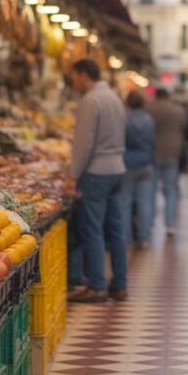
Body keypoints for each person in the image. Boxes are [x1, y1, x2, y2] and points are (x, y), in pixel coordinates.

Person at [67, 59, 129, 303]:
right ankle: (120, 284)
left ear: (83, 75)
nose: (72, 81)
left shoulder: (90, 100)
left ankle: (97, 286)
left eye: (74, 76)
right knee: (116, 230)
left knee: (92, 229)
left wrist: (73, 174)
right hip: (117, 169)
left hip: (96, 173)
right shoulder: (114, 98)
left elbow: (84, 143)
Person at [146, 89, 188, 236]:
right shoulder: (178, 111)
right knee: (170, 189)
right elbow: (184, 128)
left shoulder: (148, 109)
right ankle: (170, 224)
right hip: (173, 152)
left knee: (151, 190)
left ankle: (149, 223)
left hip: (153, 153)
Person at [119, 90, 156, 248]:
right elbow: (153, 141)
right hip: (146, 163)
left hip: (127, 163)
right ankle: (144, 237)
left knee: (125, 202)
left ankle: (126, 238)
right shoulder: (149, 120)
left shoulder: (124, 119)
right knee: (145, 202)